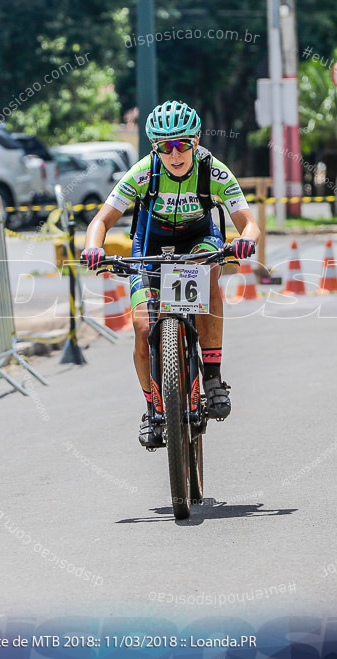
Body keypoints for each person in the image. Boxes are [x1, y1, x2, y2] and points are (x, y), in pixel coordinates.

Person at [80, 100, 258, 448]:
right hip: (150, 247)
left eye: (182, 144)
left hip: (198, 241)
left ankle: (213, 377)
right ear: (155, 148)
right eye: (165, 146)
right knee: (144, 326)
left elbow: (248, 223)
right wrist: (93, 247)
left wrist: (245, 242)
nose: (175, 154)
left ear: (195, 141)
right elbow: (100, 221)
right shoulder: (144, 173)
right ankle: (151, 409)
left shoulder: (214, 171)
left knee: (209, 274)